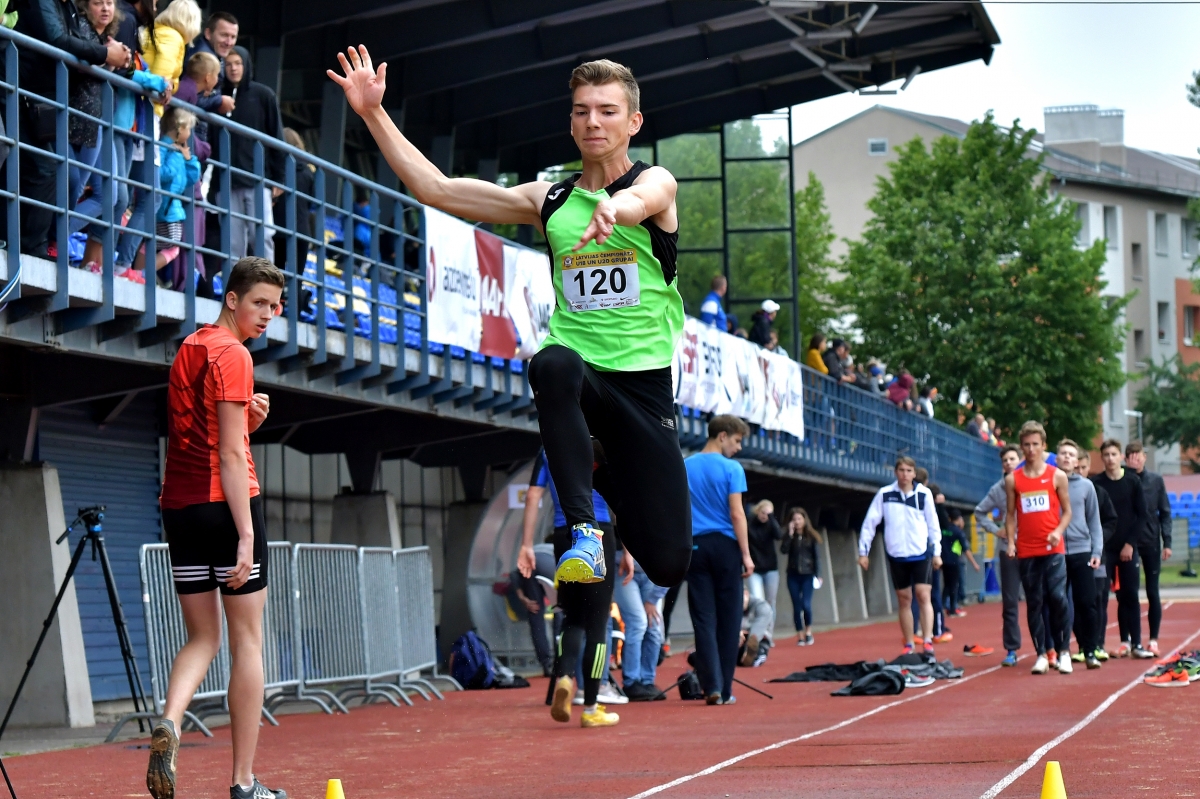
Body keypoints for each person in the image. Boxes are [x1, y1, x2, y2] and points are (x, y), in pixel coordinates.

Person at [331, 50, 692, 598]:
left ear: (633, 122)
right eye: (581, 111)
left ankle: (600, 465)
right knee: (550, 364)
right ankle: (584, 532)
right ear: (570, 122)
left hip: (643, 385)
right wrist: (373, 114)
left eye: (607, 111)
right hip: (580, 370)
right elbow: (438, 190)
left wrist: (614, 210)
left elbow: (644, 200)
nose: (593, 122)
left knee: (668, 564)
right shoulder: (550, 200)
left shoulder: (655, 181)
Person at [149, 257, 285, 799]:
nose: (268, 315)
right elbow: (229, 455)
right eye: (259, 303)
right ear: (232, 299)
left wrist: (247, 422)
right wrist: (246, 534)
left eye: (275, 306)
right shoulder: (235, 354)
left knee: (202, 637)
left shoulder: (190, 347)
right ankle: (244, 783)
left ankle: (170, 721)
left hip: (179, 507)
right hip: (227, 505)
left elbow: (201, 432)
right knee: (246, 641)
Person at [14, 0, 130, 257]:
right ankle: (40, 243)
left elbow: (77, 49)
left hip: (65, 110)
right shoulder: (54, 6)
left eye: (109, 2)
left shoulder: (69, 10)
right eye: (98, 2)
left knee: (75, 182)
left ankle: (46, 243)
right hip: (40, 100)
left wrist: (115, 59)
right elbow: (59, 41)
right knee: (59, 174)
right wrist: (105, 55)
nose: (105, 8)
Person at [518, 447, 622, 727]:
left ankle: (565, 676)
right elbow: (619, 496)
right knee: (597, 623)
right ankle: (591, 708)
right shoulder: (600, 443)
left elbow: (533, 496)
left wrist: (526, 545)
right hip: (599, 532)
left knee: (572, 617)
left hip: (565, 534)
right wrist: (629, 549)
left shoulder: (548, 448)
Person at [685, 414, 753, 705]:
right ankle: (725, 689)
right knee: (729, 620)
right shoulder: (732, 468)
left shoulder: (685, 465)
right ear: (722, 436)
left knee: (703, 619)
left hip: (695, 546)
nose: (738, 447)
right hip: (725, 546)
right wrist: (746, 554)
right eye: (737, 441)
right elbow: (737, 513)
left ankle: (710, 685)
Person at [1005, 421, 1073, 675]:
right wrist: (1010, 542)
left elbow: (1067, 511)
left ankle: (1064, 652)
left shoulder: (1057, 475)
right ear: (1021, 447)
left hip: (1053, 547)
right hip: (1027, 549)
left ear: (1044, 445)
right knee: (1034, 601)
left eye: (1035, 444)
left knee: (1057, 597)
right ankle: (1042, 654)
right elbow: (1010, 515)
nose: (1031, 449)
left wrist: (1058, 531)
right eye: (1027, 445)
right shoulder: (1013, 479)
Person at [858, 456, 941, 655]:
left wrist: (937, 552)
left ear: (914, 473)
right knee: (904, 599)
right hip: (897, 554)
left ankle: (927, 640)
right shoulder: (885, 494)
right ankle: (909, 643)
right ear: (896, 472)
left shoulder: (924, 495)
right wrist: (863, 552)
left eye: (908, 471)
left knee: (923, 594)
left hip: (921, 552)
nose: (905, 474)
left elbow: (933, 525)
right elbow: (870, 523)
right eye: (901, 470)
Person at [222, 46, 286, 263]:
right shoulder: (218, 95)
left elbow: (276, 137)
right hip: (227, 180)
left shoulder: (263, 95)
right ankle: (235, 282)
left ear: (247, 65)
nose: (233, 68)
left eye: (238, 63)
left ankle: (265, 282)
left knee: (262, 237)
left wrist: (279, 177)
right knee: (232, 243)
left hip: (257, 179)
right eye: (228, 64)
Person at [1090, 439, 1152, 658]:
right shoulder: (1096, 483)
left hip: (1127, 548)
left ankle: (1136, 644)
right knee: (1100, 596)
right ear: (1102, 458)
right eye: (1106, 455)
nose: (1110, 459)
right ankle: (1098, 645)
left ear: (1121, 457)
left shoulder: (1132, 482)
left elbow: (1142, 515)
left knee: (1130, 595)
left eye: (1113, 454)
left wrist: (1130, 544)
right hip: (1104, 549)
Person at [131, 107, 200, 280]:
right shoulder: (164, 147)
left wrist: (189, 160)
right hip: (167, 210)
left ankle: (136, 274)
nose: (190, 134)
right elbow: (159, 172)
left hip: (167, 207)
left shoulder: (175, 151)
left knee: (151, 241)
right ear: (180, 129)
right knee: (173, 246)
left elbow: (190, 179)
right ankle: (143, 273)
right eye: (188, 129)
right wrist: (176, 160)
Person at [1053, 439, 1103, 669]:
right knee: (1058, 602)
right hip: (1056, 552)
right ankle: (1060, 650)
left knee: (1087, 602)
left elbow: (1094, 520)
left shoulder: (1086, 486)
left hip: (1082, 550)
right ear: (1056, 458)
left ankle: (1090, 649)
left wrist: (1096, 550)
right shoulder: (1049, 483)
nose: (1067, 457)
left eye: (1071, 454)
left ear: (1077, 461)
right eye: (1063, 453)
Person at [974, 444, 1022, 666]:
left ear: (1020, 460)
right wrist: (996, 530)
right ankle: (1011, 649)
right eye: (1005, 460)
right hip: (1007, 550)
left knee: (1040, 598)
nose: (1009, 463)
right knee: (1010, 601)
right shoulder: (997, 489)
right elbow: (979, 512)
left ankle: (1045, 648)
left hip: (1034, 548)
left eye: (1012, 459)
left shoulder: (1033, 483)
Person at [1125, 441, 1172, 655]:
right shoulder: (1123, 479)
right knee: (1128, 592)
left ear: (1144, 457)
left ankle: (1153, 639)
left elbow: (1165, 512)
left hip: (1151, 540)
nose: (1135, 459)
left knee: (1152, 591)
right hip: (1128, 543)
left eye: (1138, 455)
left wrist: (1167, 542)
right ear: (1126, 459)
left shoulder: (1155, 480)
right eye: (1131, 455)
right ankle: (1128, 639)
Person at [611, 552, 667, 700]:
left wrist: (653, 600)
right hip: (623, 569)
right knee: (638, 623)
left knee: (654, 627)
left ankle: (648, 681)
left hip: (653, 574)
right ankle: (631, 681)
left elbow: (672, 569)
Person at [1078, 450, 1117, 660]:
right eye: (1076, 468)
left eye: (1083, 467)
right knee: (1076, 599)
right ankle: (1081, 645)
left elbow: (1111, 520)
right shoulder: (1061, 488)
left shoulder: (1098, 492)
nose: (1080, 471)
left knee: (1098, 598)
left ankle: (1098, 643)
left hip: (1097, 553)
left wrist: (1099, 539)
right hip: (1073, 552)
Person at [141, 0, 201, 113]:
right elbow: (161, 78)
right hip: (148, 107)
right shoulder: (173, 38)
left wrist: (173, 85)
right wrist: (165, 87)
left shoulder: (156, 30)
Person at [184, 11, 239, 117]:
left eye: (233, 37)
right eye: (224, 35)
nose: (229, 42)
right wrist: (219, 101)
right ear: (208, 34)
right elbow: (190, 99)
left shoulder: (214, 54)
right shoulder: (202, 59)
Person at [781, 506, 820, 646]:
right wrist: (790, 534)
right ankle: (800, 635)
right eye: (794, 519)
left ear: (804, 520)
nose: (797, 522)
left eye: (799, 519)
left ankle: (808, 631)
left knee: (806, 605)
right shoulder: (790, 536)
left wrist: (818, 574)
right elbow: (783, 550)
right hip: (792, 575)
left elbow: (816, 557)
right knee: (797, 606)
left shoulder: (811, 536)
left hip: (808, 575)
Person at [745, 500, 782, 645]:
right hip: (755, 569)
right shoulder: (750, 523)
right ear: (757, 511)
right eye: (763, 512)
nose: (764, 516)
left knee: (770, 602)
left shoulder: (771, 525)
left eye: (768, 513)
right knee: (758, 601)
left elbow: (779, 535)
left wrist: (771, 517)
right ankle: (759, 635)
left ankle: (768, 634)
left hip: (771, 569)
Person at [940, 509, 979, 618]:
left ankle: (941, 607)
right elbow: (966, 549)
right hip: (954, 560)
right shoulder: (958, 532)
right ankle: (953, 609)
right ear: (959, 519)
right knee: (954, 585)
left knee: (947, 585)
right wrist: (974, 564)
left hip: (943, 560)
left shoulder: (944, 529)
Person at [738, 589, 773, 668]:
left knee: (755, 656)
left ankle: (755, 656)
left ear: (746, 594)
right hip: (737, 638)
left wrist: (748, 649)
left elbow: (756, 633)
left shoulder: (762, 607)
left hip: (758, 639)